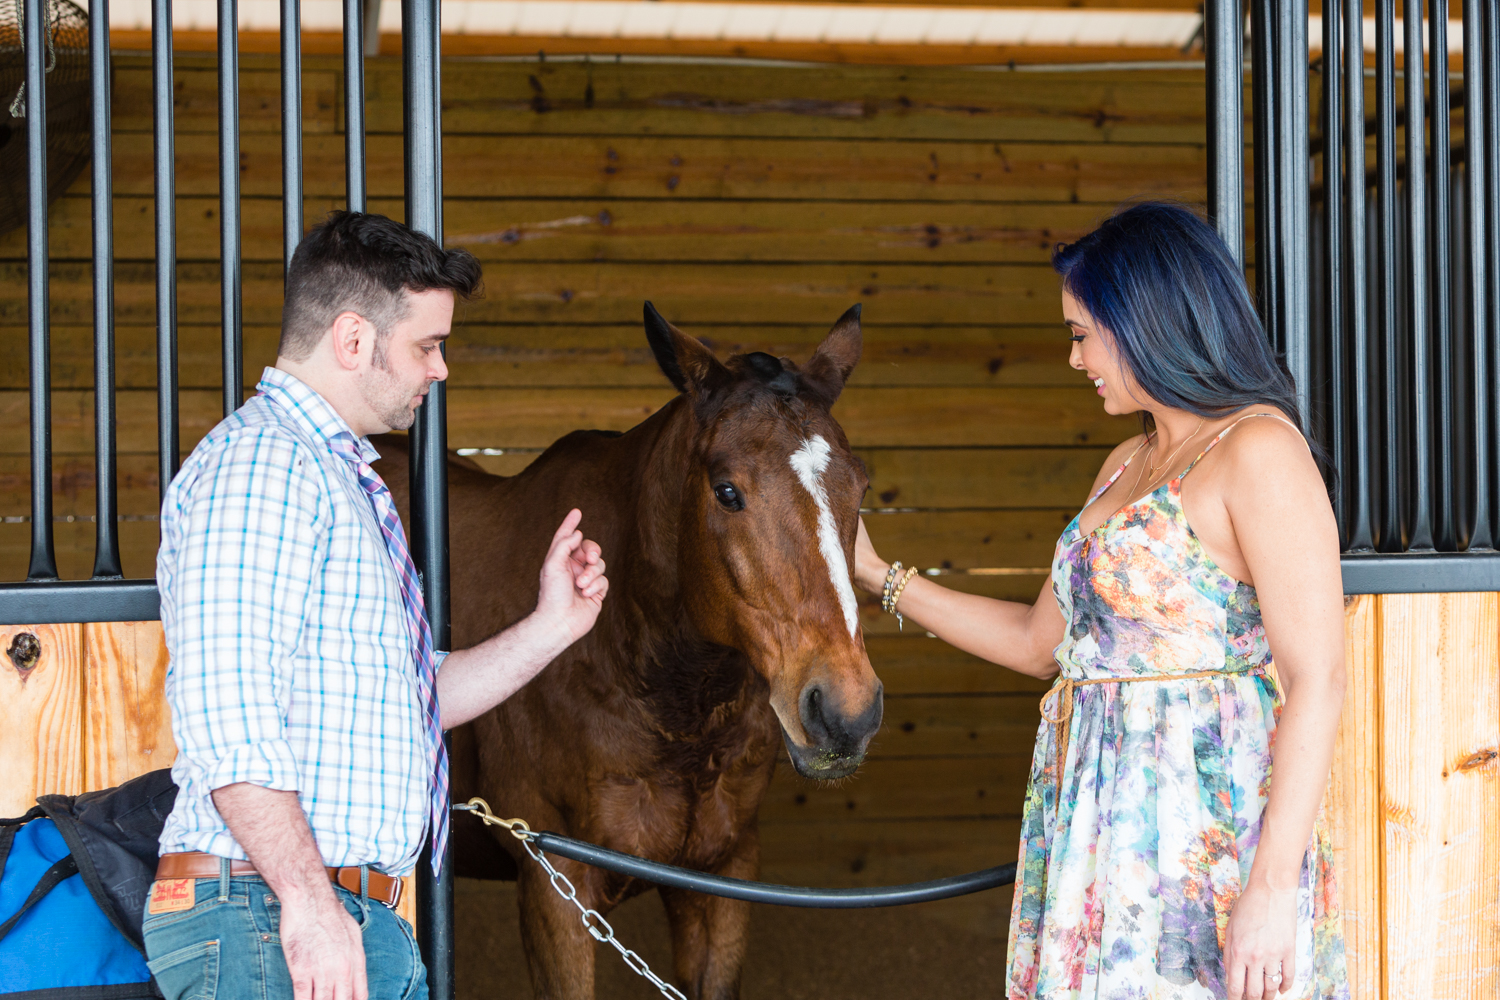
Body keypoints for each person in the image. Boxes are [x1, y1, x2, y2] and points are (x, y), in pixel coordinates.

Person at [854, 203, 1350, 1000]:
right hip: (1098, 829)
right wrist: (878, 573)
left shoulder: (1259, 450)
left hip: (1207, 840)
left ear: (1144, 321)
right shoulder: (1127, 462)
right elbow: (1034, 642)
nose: (1073, 357)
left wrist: (1269, 888)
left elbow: (1319, 678)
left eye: (1083, 333)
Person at [144, 212, 609, 1000]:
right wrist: (310, 906)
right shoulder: (265, 467)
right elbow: (229, 713)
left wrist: (551, 626)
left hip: (332, 913)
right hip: (271, 917)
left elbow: (417, 699)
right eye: (427, 345)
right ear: (354, 340)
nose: (441, 369)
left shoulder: (335, 479)